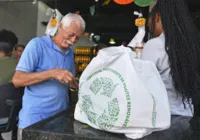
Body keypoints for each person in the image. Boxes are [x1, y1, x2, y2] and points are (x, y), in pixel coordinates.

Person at [12, 13, 85, 139]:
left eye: (77, 37)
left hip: (59, 122)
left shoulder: (70, 54)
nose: (73, 40)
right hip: (34, 122)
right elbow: (17, 80)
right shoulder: (37, 45)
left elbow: (67, 82)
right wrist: (52, 73)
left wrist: (73, 84)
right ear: (61, 26)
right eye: (71, 34)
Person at [141, 1, 197, 117]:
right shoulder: (190, 46)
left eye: (149, 22)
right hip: (187, 116)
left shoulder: (154, 45)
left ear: (157, 17)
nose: (149, 27)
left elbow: (142, 84)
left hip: (163, 118)